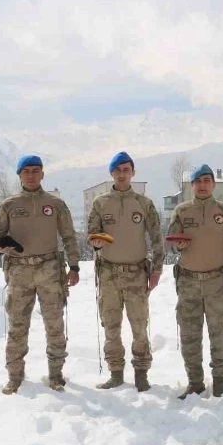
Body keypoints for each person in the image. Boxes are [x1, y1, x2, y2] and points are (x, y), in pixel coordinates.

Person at [0, 155, 79, 394]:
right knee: (18, 325)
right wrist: (0, 244)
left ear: (42, 174)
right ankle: (15, 376)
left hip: (49, 269)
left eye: (35, 170)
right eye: (26, 171)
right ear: (19, 175)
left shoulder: (56, 203)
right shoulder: (8, 205)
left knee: (54, 324)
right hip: (19, 271)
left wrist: (74, 266)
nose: (31, 175)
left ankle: (56, 374)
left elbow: (69, 236)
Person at [167, 164, 223, 399]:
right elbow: (171, 241)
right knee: (189, 334)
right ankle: (195, 382)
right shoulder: (182, 211)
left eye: (206, 180)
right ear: (192, 185)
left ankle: (220, 382)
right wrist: (176, 246)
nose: (202, 185)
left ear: (213, 184)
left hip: (217, 281)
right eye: (197, 181)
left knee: (219, 332)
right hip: (188, 281)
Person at [88, 151, 164, 392]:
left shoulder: (144, 204)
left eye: (126, 170)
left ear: (133, 173)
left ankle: (141, 373)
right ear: (111, 173)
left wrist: (157, 270)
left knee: (139, 325)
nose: (122, 174)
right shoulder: (100, 203)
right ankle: (116, 372)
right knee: (110, 325)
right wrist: (95, 242)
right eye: (118, 170)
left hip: (136, 273)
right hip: (108, 273)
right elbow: (92, 234)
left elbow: (157, 238)